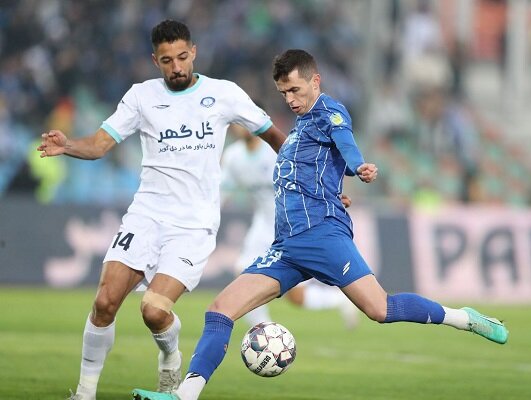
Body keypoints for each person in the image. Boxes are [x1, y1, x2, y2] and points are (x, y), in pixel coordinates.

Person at [131, 49, 509, 400]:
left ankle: (464, 318)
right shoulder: (298, 131)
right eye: (284, 93)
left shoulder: (329, 110)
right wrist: (333, 188)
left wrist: (358, 166)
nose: (290, 99)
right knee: (219, 309)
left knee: (380, 309)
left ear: (315, 81)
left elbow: (345, 143)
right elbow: (315, 171)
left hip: (323, 236)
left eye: (295, 89)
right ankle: (184, 395)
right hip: (287, 246)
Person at [37, 20, 286, 400]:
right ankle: (84, 393)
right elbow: (100, 144)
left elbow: (274, 136)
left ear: (194, 52)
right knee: (104, 303)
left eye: (183, 57)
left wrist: (313, 179)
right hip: (146, 214)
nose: (177, 67)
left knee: (154, 311)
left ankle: (171, 356)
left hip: (193, 225)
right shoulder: (141, 96)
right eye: (167, 60)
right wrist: (68, 145)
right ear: (156, 61)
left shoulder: (224, 94)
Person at [221, 124, 358, 330]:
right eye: (236, 123)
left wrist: (330, 196)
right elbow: (222, 191)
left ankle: (339, 300)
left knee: (296, 297)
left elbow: (308, 173)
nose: (239, 127)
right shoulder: (233, 156)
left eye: (243, 122)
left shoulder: (275, 149)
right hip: (263, 224)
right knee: (243, 274)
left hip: (293, 224)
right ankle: (263, 332)